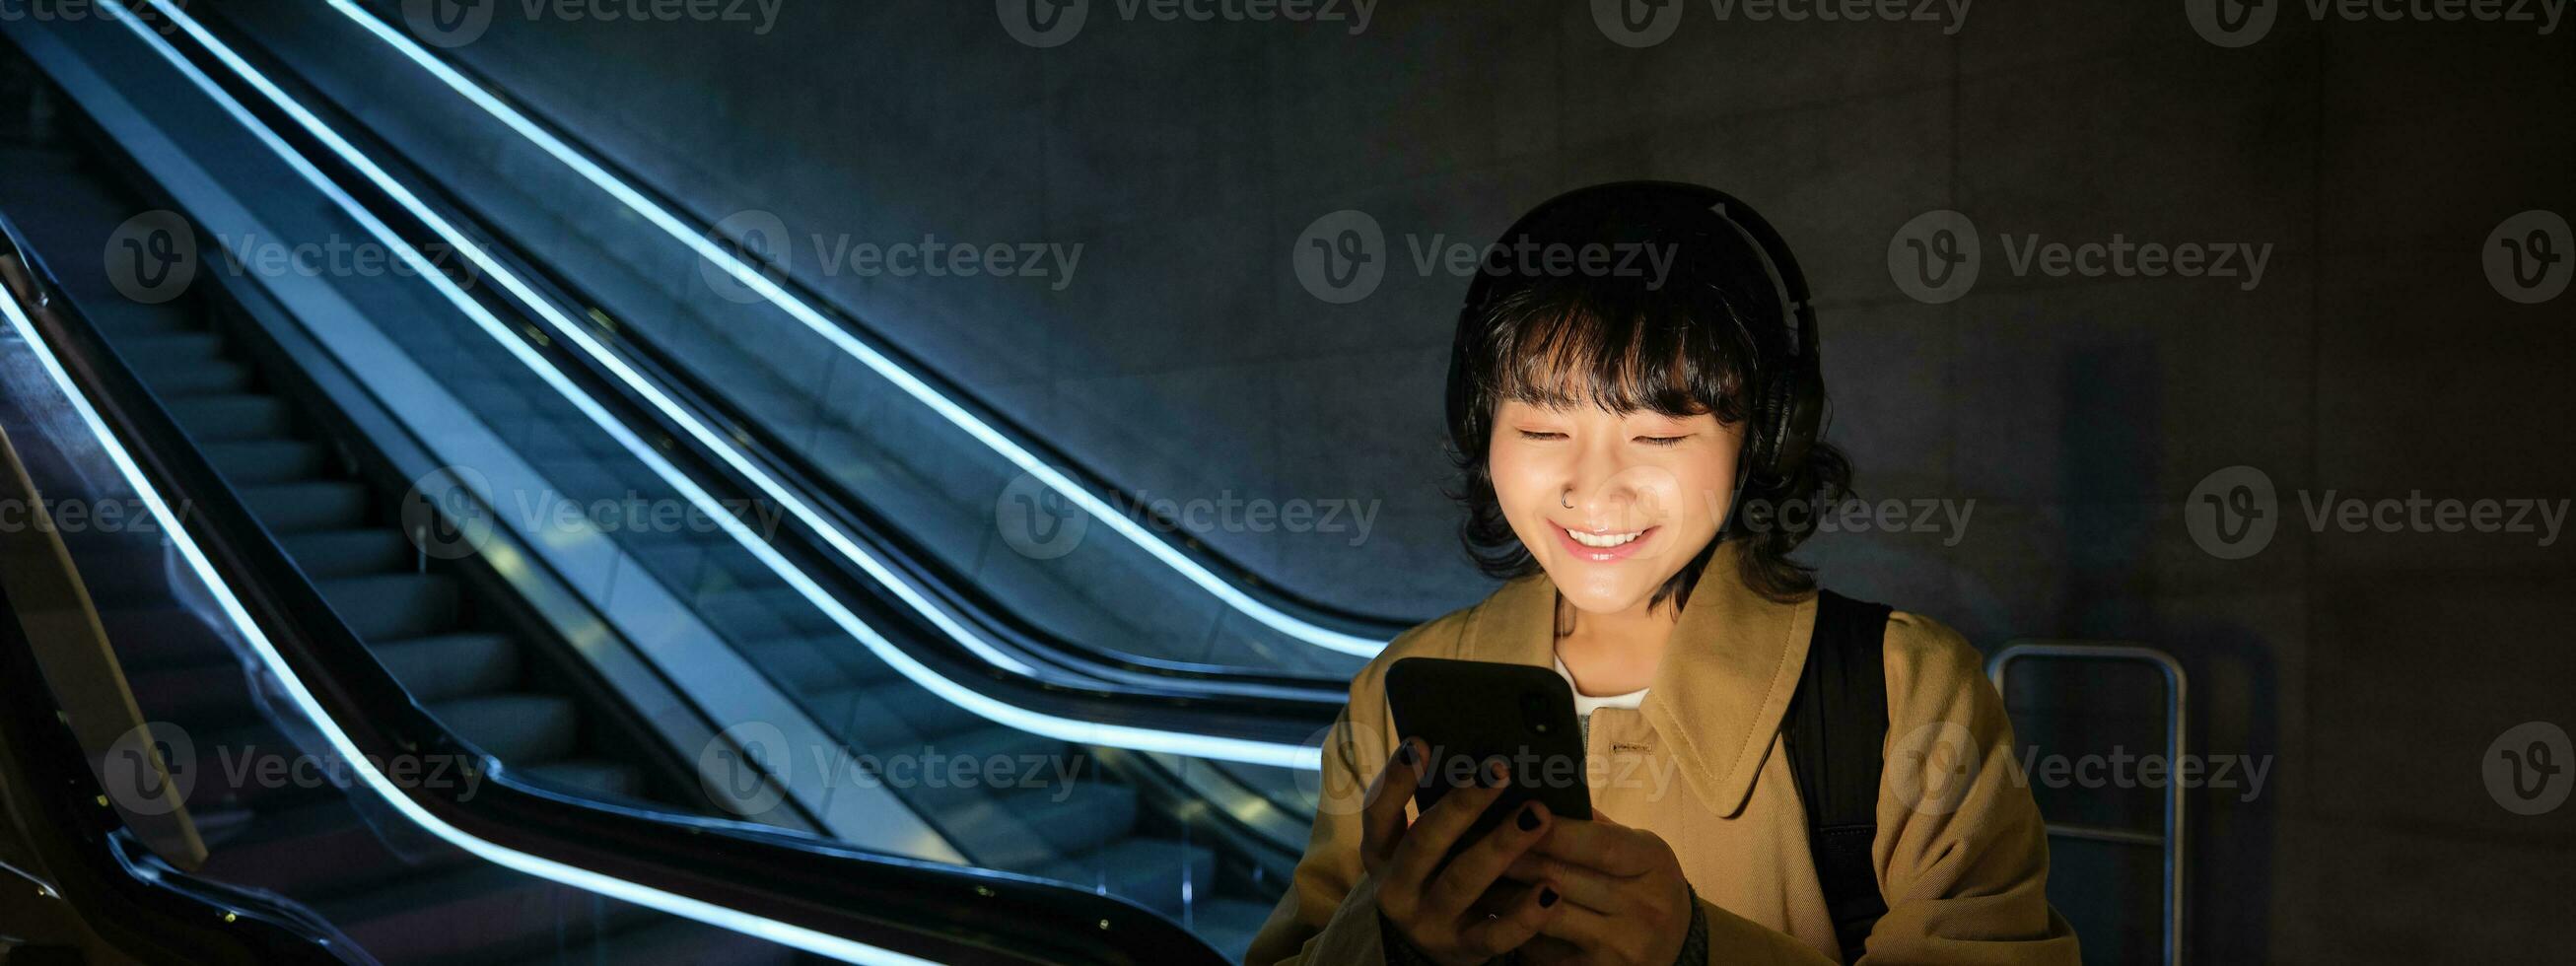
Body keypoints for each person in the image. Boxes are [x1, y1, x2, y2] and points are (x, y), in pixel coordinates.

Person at [1243, 182, 2079, 965]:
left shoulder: (1903, 691)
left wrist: (1698, 948)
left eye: (1658, 437)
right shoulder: (1399, 693)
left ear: (1762, 436)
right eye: (1539, 431)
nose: (1592, 488)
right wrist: (1388, 942)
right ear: (1481, 429)